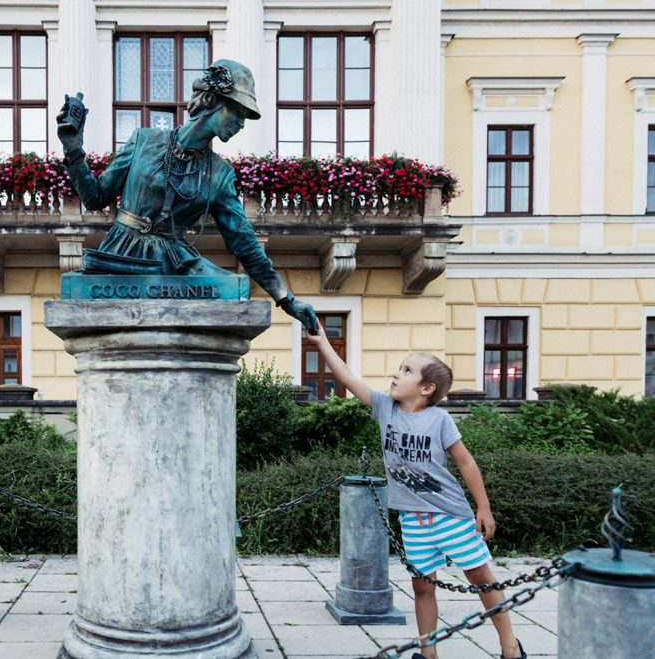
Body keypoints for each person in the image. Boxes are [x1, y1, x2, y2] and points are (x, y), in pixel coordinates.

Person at [306, 323, 527, 659]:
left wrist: (484, 508)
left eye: (406, 370)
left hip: (451, 514)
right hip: (413, 520)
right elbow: (349, 379)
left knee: (480, 577)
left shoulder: (440, 420)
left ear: (427, 388)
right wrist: (322, 343)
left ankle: (510, 647)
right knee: (422, 586)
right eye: (399, 368)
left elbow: (466, 463)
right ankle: (428, 654)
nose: (396, 374)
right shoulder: (385, 408)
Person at [55, 60, 317, 333]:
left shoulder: (220, 175)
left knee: (233, 287)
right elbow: (95, 197)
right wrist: (73, 148)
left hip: (176, 262)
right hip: (122, 252)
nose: (241, 123)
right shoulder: (144, 140)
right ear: (212, 100)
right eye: (238, 111)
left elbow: (245, 244)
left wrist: (287, 300)